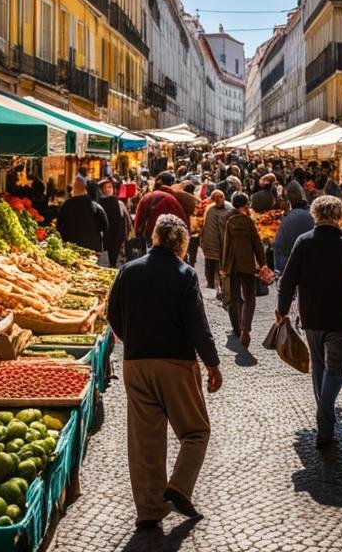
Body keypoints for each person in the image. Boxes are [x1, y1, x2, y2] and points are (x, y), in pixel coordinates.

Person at [107, 214, 222, 531]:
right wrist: (212, 363)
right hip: (174, 364)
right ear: (182, 244)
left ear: (155, 238)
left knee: (145, 441)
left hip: (135, 364)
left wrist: (133, 340)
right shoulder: (184, 273)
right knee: (196, 432)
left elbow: (112, 314)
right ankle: (179, 487)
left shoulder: (128, 271)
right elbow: (197, 324)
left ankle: (148, 510)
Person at [277, 195, 342, 449]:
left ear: (315, 215)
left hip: (312, 316)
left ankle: (324, 418)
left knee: (319, 366)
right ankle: (325, 420)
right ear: (340, 216)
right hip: (340, 317)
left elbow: (288, 281)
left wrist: (282, 311)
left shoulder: (303, 242)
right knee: (335, 369)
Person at [220, 192, 265, 349]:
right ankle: (246, 328)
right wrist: (262, 263)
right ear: (244, 205)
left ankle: (237, 328)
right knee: (250, 298)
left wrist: (224, 267)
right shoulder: (248, 222)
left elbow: (226, 246)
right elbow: (257, 244)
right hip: (247, 265)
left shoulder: (229, 221)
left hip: (232, 265)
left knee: (233, 297)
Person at [56, 177, 109, 258]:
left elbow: (58, 226)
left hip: (71, 248)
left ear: (73, 189)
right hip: (93, 248)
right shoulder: (95, 205)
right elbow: (105, 226)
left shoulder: (67, 205)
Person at [133, 172, 188, 245]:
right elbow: (184, 221)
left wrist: (138, 236)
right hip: (172, 240)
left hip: (152, 238)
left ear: (159, 182)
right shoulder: (178, 198)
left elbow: (139, 220)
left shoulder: (148, 197)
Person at [272, 181, 314, 276]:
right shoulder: (312, 215)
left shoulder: (288, 220)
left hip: (292, 270)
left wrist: (281, 271)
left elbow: (278, 247)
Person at [200, 189, 233, 296]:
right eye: (216, 199)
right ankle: (212, 285)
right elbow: (208, 229)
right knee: (212, 266)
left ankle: (221, 288)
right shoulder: (210, 210)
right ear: (213, 200)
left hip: (223, 244)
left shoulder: (229, 209)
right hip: (211, 245)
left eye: (221, 198)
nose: (219, 200)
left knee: (222, 268)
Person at [98, 177, 133, 267]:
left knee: (116, 257)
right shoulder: (99, 203)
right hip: (106, 235)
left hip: (117, 235)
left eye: (109, 187)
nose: (107, 190)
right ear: (102, 190)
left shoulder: (119, 203)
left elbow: (126, 219)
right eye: (105, 188)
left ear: (113, 189)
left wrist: (129, 232)